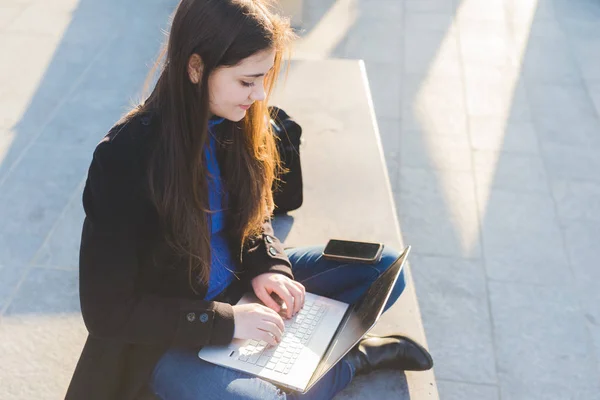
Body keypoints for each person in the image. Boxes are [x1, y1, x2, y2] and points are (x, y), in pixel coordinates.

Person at [66, 0, 433, 399]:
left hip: (243, 282)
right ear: (195, 68)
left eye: (264, 78)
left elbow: (255, 215)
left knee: (383, 270)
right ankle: (348, 361)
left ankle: (304, 361)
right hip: (173, 331)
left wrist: (270, 266)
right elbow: (107, 312)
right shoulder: (126, 156)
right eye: (247, 81)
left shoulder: (235, 119)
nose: (259, 95)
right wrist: (227, 321)